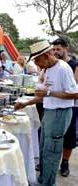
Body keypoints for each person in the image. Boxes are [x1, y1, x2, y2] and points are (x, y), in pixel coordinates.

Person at [15, 40, 77, 186]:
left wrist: (49, 92)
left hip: (60, 114)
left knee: (51, 152)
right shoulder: (48, 69)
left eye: (38, 60)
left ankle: (48, 183)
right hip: (49, 112)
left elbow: (75, 94)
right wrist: (25, 103)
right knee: (44, 149)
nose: (37, 64)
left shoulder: (63, 68)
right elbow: (43, 95)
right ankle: (43, 180)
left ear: (47, 55)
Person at [52, 37, 78, 177]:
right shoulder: (53, 65)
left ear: (65, 49)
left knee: (69, 137)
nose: (56, 52)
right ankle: (52, 162)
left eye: (58, 49)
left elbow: (72, 88)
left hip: (71, 106)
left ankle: (65, 163)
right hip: (54, 105)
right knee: (53, 136)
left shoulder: (74, 65)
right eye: (54, 49)